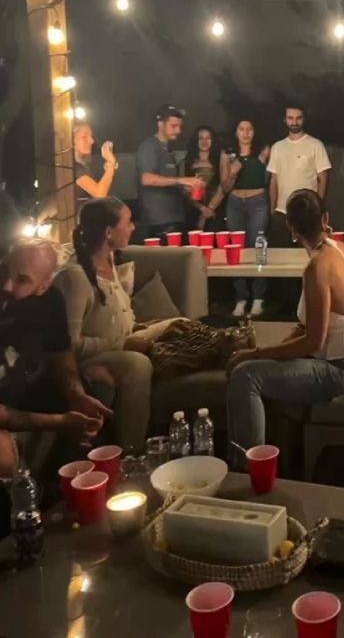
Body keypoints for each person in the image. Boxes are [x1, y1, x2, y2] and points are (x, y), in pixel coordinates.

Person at [227, 189, 344, 464]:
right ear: (325, 218)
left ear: (291, 228)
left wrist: (255, 354)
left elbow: (313, 343)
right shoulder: (341, 249)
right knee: (255, 366)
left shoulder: (318, 268)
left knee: (246, 375)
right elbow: (312, 327)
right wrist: (276, 349)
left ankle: (248, 468)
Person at [55, 197, 194, 453]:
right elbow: (67, 345)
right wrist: (123, 343)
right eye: (128, 222)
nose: (132, 228)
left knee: (182, 325)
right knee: (137, 363)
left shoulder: (110, 263)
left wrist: (148, 327)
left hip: (123, 340)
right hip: (92, 358)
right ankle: (131, 451)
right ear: (108, 232)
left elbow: (117, 320)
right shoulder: (75, 277)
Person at [0, 242, 109, 478]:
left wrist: (75, 394)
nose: (7, 284)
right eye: (4, 270)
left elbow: (60, 354)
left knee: (86, 403)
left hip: (25, 389)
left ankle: (71, 496)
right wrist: (58, 422)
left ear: (43, 287)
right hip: (6, 400)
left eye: (21, 279)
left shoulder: (50, 301)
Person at [220, 119, 271, 318]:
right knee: (236, 251)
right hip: (234, 203)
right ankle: (241, 298)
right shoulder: (227, 154)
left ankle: (259, 298)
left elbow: (269, 179)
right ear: (235, 132)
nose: (245, 133)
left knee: (258, 247)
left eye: (249, 129)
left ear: (254, 132)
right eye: (241, 129)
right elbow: (224, 187)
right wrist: (233, 174)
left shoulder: (263, 151)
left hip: (257, 202)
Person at [267, 105, 331, 247]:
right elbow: (274, 180)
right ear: (285, 120)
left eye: (298, 118)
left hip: (307, 212)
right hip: (282, 213)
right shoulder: (277, 147)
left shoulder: (315, 145)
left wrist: (318, 207)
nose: (294, 122)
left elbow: (323, 178)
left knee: (307, 255)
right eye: (290, 118)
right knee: (281, 258)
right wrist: (272, 209)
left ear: (304, 119)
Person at [136, 104, 202, 238]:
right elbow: (146, 179)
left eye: (179, 126)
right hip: (159, 220)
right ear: (160, 124)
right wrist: (181, 180)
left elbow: (168, 182)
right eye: (173, 126)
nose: (178, 130)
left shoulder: (167, 150)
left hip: (174, 217)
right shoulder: (149, 147)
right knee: (166, 258)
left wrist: (186, 186)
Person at [183, 125, 227, 229]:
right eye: (201, 138)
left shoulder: (220, 159)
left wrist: (209, 209)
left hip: (216, 208)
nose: (204, 142)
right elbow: (183, 190)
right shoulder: (187, 161)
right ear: (195, 141)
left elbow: (223, 186)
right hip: (194, 209)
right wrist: (201, 208)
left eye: (208, 138)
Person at [74, 122, 118, 206]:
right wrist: (111, 164)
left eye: (91, 136)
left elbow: (103, 191)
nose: (91, 141)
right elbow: (100, 195)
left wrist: (110, 169)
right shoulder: (74, 167)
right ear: (71, 139)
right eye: (84, 136)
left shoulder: (84, 165)